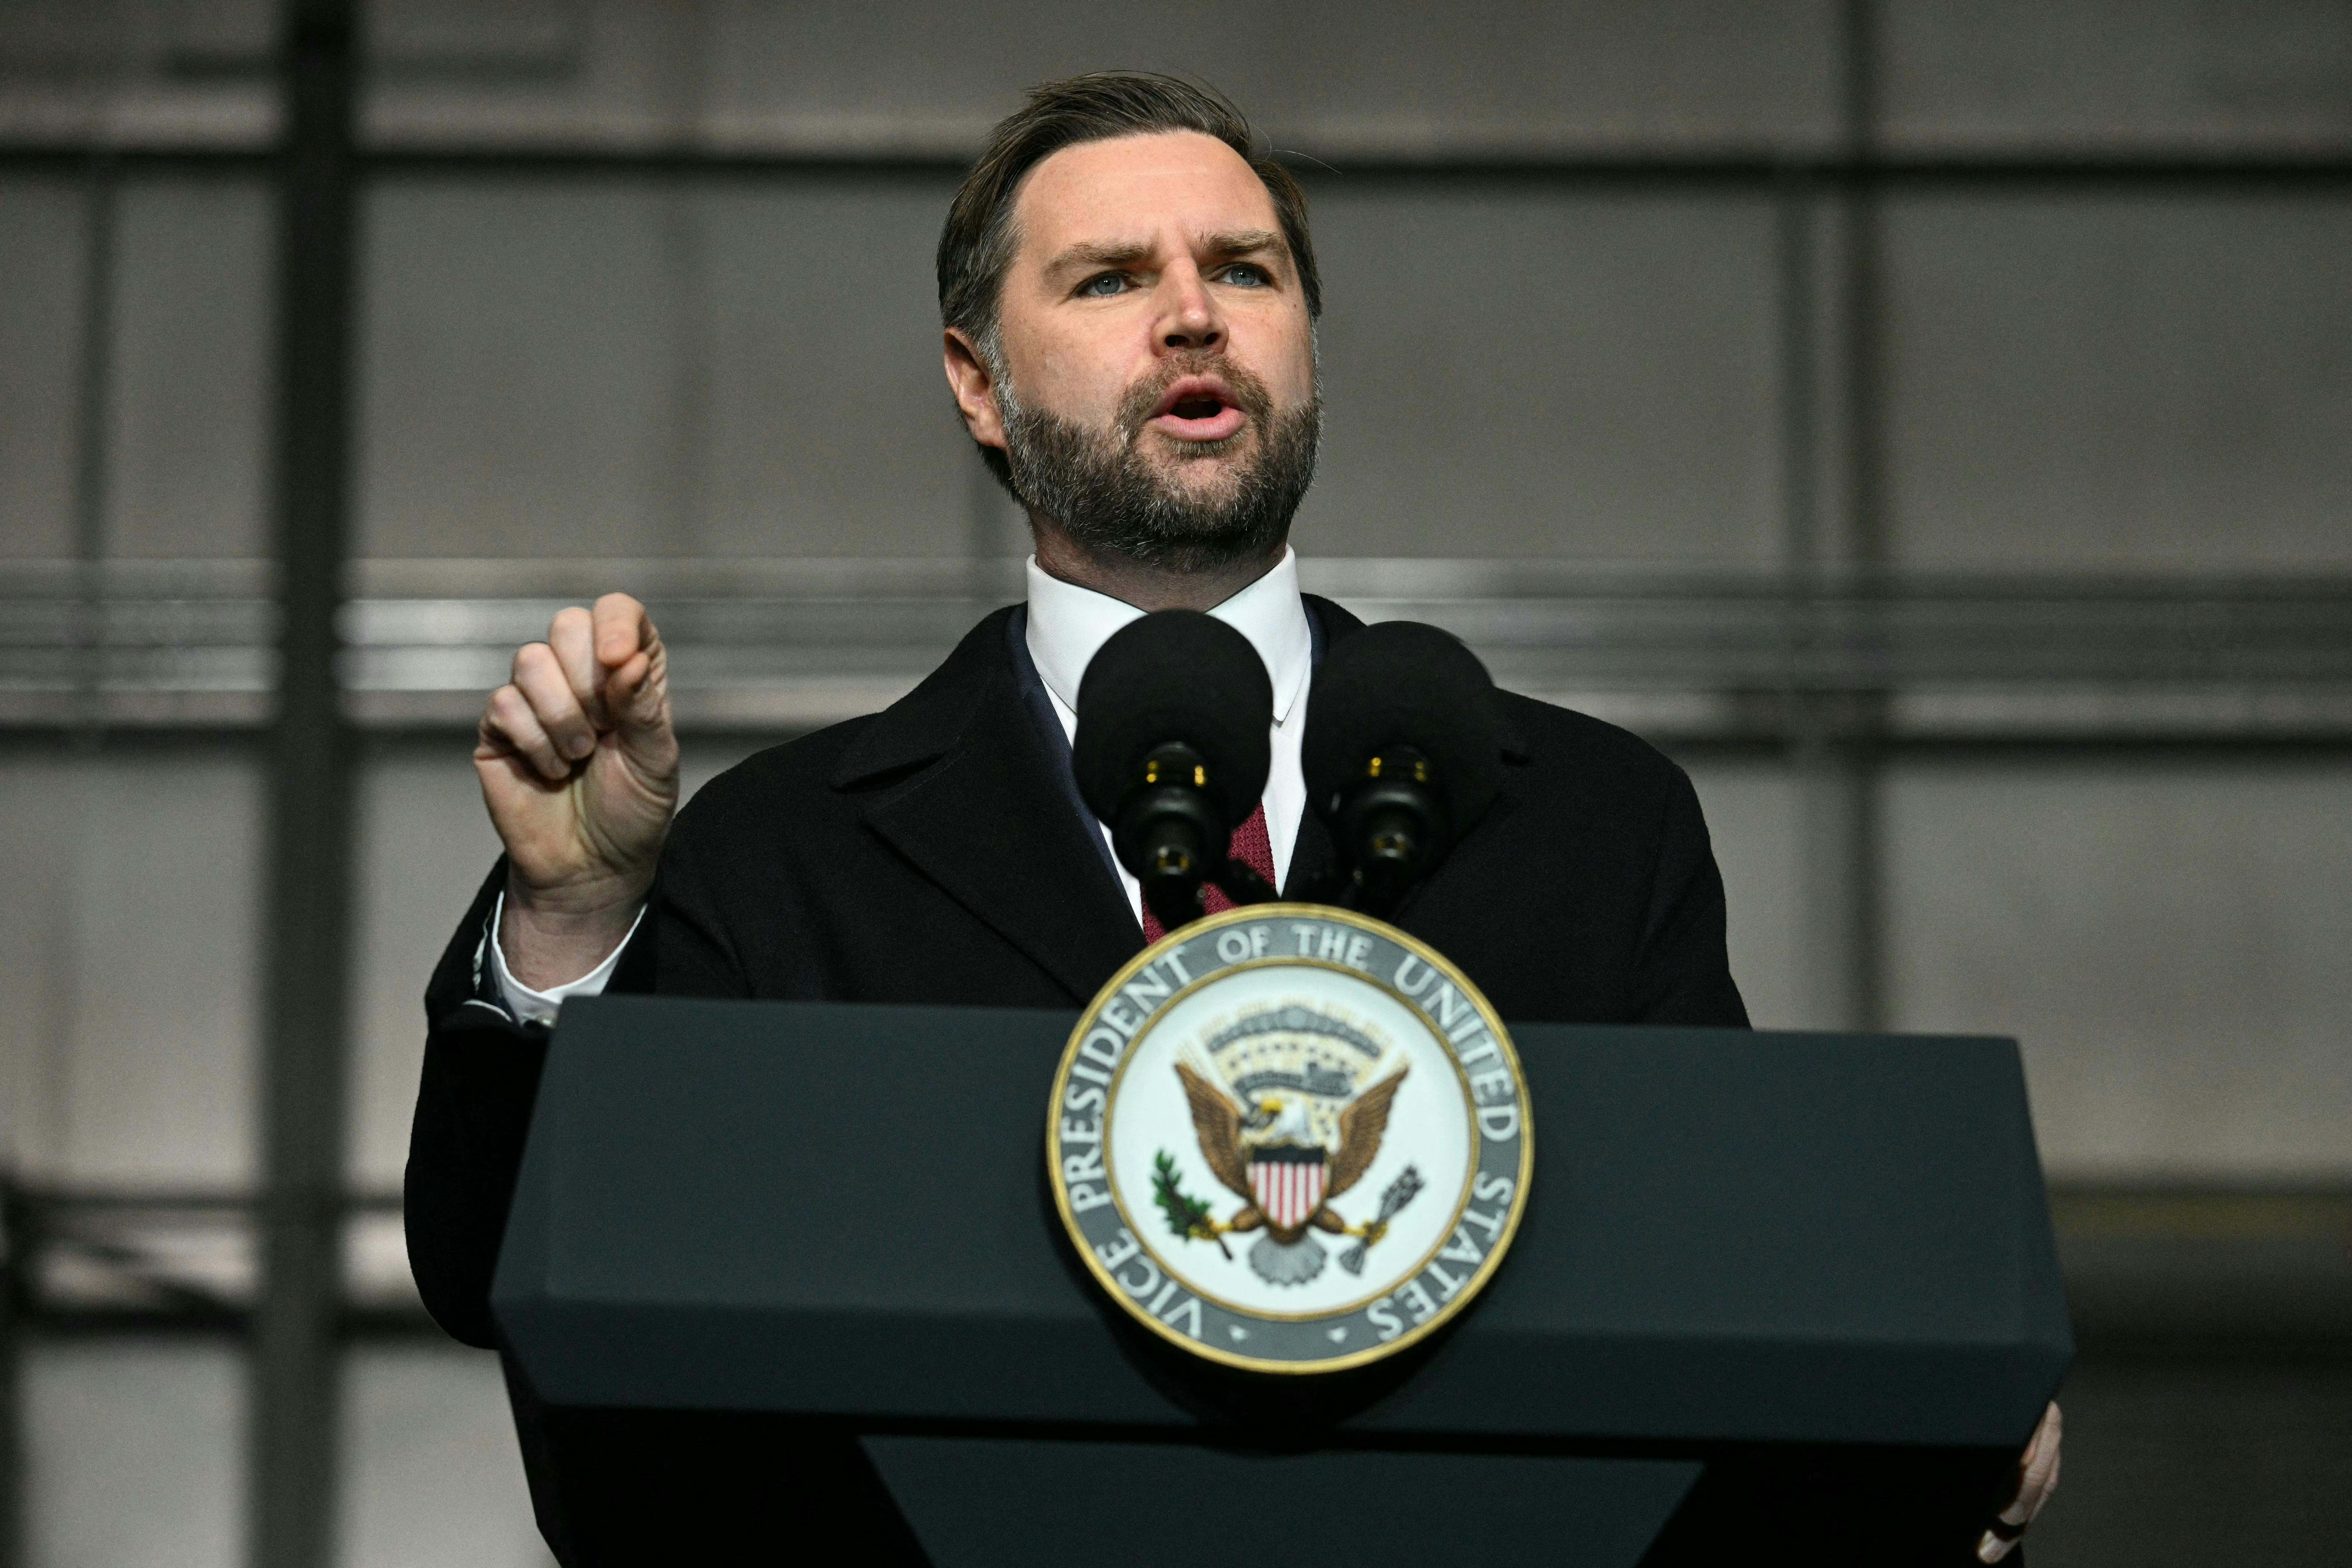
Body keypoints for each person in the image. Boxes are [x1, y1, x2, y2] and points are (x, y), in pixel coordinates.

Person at [406, 71, 2059, 1565]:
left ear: (1309, 351)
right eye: (1111, 280)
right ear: (979, 383)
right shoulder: (786, 852)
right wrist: (572, 921)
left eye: (1246, 272)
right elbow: (517, 1288)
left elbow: (1727, 1301)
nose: (1194, 316)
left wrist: (1919, 1425)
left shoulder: (1590, 820)